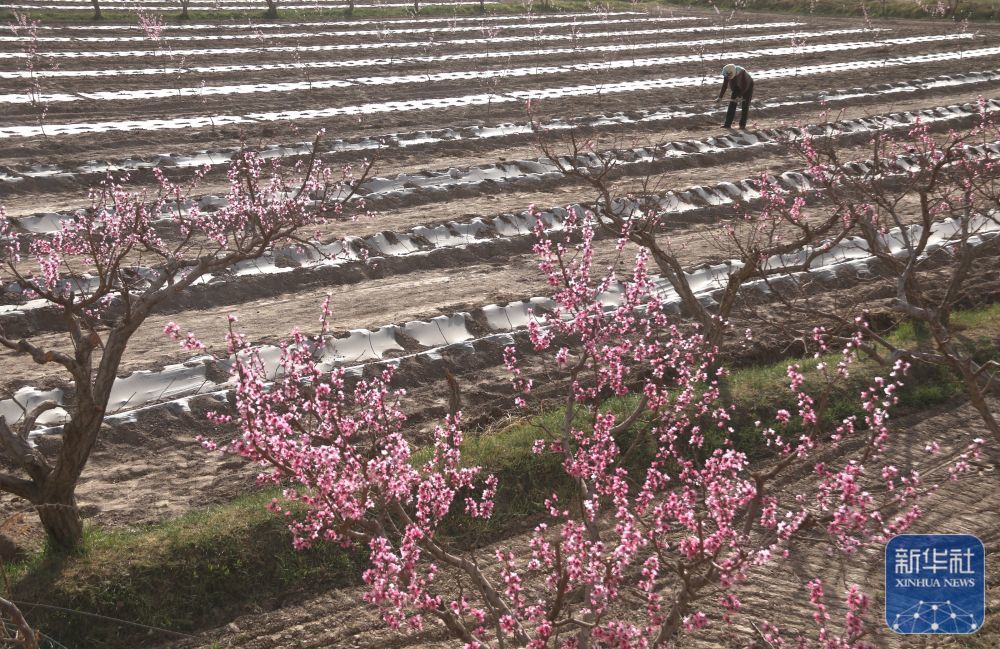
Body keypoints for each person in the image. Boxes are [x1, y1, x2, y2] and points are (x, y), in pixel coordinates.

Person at [716, 63, 754, 130]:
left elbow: (744, 87)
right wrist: (720, 97)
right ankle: (727, 124)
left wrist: (739, 97)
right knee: (732, 104)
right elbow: (724, 85)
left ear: (733, 73)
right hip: (736, 87)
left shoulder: (742, 73)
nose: (727, 78)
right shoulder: (727, 72)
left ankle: (742, 125)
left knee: (745, 105)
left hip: (748, 86)